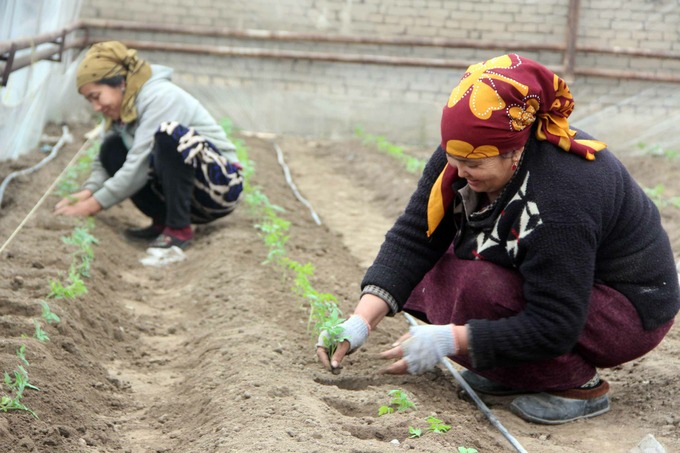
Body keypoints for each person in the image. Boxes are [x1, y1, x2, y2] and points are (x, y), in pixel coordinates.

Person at [317, 54, 680, 424]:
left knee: (471, 291)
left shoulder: (561, 197)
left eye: (473, 165)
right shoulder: (466, 150)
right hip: (568, 286)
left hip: (626, 310)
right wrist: (360, 321)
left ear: (515, 150)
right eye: (454, 159)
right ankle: (513, 371)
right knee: (435, 273)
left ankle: (577, 387)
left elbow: (556, 322)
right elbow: (414, 236)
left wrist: (452, 340)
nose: (459, 172)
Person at [54, 41, 243, 249]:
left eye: (96, 96)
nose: (96, 107)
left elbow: (139, 163)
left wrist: (93, 206)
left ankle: (178, 229)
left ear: (120, 83)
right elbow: (104, 160)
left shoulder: (161, 97)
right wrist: (88, 191)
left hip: (219, 190)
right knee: (112, 147)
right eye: (90, 101)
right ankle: (162, 221)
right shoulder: (122, 109)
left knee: (169, 135)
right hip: (189, 194)